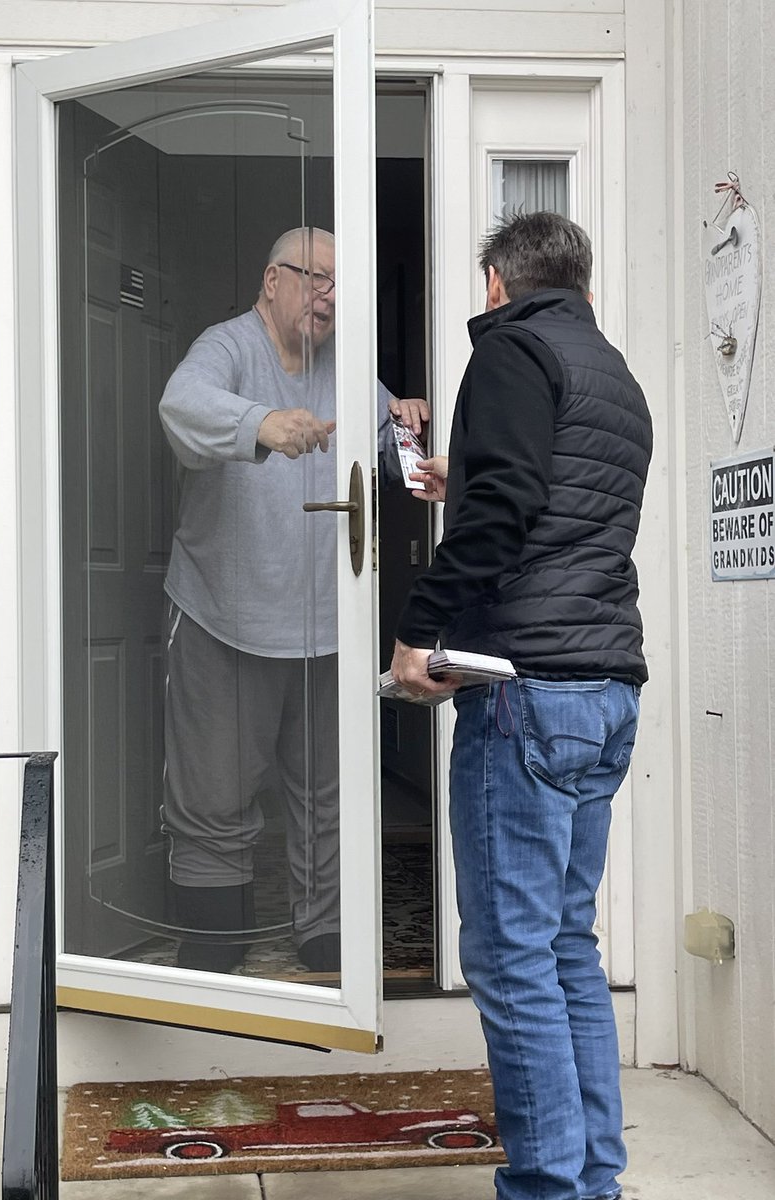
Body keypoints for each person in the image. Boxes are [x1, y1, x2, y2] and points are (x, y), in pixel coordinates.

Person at [390, 210, 652, 1200]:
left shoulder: (510, 349)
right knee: (564, 946)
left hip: (529, 694)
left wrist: (420, 629)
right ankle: (591, 1182)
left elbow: (504, 514)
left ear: (497, 283)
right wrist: (474, 471)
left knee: (509, 957)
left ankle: (550, 1189)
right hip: (604, 689)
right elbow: (559, 502)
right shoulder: (612, 375)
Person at [159, 227, 428, 975]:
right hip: (222, 611)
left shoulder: (348, 366)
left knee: (328, 794)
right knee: (214, 791)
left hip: (325, 616)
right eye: (315, 279)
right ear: (272, 279)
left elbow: (392, 456)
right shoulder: (227, 346)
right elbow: (179, 409)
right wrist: (261, 424)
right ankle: (215, 944)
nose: (328, 297)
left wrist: (404, 421)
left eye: (340, 286)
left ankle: (325, 935)